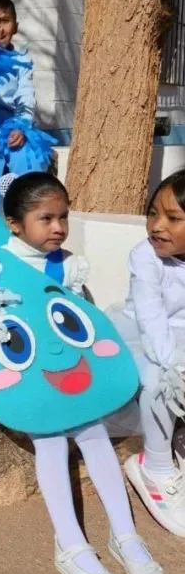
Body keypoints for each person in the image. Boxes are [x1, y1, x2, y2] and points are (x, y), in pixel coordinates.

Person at [0, 173, 166, 574]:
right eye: (46, 218)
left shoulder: (66, 262)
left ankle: (126, 536)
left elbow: (77, 318)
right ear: (14, 223)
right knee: (50, 440)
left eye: (63, 217)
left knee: (95, 432)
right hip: (23, 378)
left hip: (67, 375)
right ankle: (70, 544)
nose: (58, 227)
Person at [110, 170, 185, 537]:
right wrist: (175, 368)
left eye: (173, 218)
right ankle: (154, 465)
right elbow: (151, 319)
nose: (157, 225)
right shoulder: (145, 257)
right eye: (153, 213)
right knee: (159, 381)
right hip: (143, 338)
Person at [0, 0, 54, 241]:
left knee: (30, 154)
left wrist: (22, 125)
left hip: (11, 122)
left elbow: (26, 95)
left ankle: (25, 214)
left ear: (15, 25)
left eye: (3, 21)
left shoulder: (21, 60)